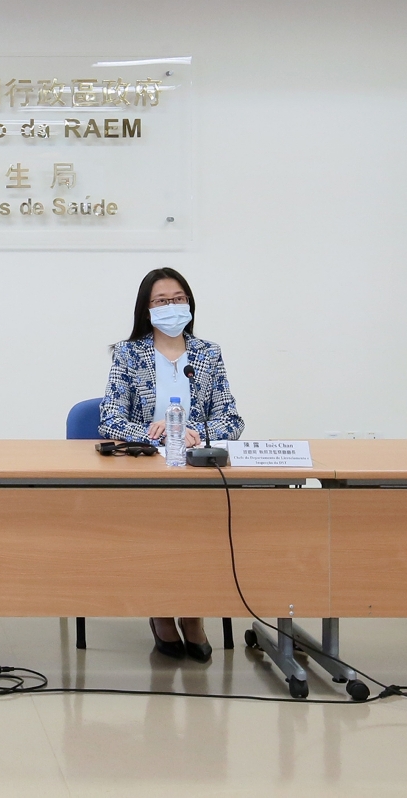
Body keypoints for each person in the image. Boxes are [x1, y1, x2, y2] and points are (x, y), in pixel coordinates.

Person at [99, 267, 245, 663]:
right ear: (147, 309)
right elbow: (110, 418)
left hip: (198, 469)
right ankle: (161, 612)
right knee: (156, 530)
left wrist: (197, 431)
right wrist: (154, 434)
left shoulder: (208, 353)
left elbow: (231, 418)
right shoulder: (129, 354)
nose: (172, 306)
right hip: (144, 469)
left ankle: (193, 614)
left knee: (201, 532)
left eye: (178, 299)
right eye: (162, 301)